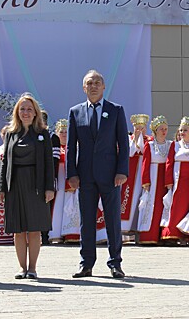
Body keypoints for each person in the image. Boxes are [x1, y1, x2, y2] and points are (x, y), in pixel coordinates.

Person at [66, 69, 129, 279]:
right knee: (87, 221)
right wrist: (72, 174)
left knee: (112, 220)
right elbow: (71, 146)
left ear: (104, 86)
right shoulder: (75, 112)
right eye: (89, 83)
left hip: (111, 175)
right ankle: (86, 264)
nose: (93, 86)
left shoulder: (116, 110)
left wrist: (122, 171)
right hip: (85, 176)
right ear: (84, 88)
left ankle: (115, 263)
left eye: (97, 83)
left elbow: (123, 144)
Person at [0, 93, 55, 280]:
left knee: (35, 228)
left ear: (35, 112)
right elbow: (5, 163)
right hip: (14, 184)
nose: (26, 112)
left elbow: (49, 163)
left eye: (29, 109)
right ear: (17, 112)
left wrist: (49, 187)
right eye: (22, 109)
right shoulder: (11, 134)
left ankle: (32, 268)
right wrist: (1, 188)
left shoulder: (43, 134)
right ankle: (22, 268)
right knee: (18, 228)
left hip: (35, 184)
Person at [162, 116, 189, 245]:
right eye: (180, 130)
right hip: (179, 181)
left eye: (185, 130)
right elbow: (169, 163)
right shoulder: (176, 145)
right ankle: (175, 234)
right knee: (177, 206)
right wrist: (168, 183)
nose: (182, 133)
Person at [137, 115, 171, 244]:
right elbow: (145, 164)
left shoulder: (170, 144)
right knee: (152, 205)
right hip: (153, 177)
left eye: (165, 129)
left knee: (164, 206)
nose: (164, 131)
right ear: (155, 131)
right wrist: (146, 182)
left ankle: (162, 235)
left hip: (165, 178)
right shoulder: (150, 145)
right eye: (161, 129)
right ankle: (149, 236)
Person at [121, 114, 150, 237]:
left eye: (142, 127)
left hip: (144, 174)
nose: (140, 130)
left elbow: (145, 152)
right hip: (131, 174)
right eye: (138, 127)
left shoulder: (150, 140)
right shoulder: (128, 139)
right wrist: (136, 138)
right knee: (128, 199)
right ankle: (124, 229)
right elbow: (130, 152)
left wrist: (141, 139)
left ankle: (139, 229)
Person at [40, 110, 60, 245]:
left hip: (47, 176)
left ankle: (45, 234)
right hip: (33, 177)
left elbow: (55, 160)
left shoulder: (53, 137)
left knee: (47, 206)